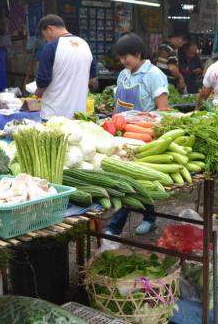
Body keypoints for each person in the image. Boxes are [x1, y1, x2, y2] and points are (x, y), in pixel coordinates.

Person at [107, 33, 169, 236]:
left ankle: (115, 227)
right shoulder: (123, 74)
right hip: (122, 134)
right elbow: (118, 104)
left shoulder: (154, 75)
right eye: (121, 58)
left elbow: (163, 111)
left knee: (130, 179)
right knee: (132, 179)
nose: (123, 61)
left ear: (138, 53)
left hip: (144, 136)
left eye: (127, 57)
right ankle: (150, 218)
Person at [35, 14, 97, 120]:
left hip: (53, 116)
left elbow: (42, 81)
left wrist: (37, 93)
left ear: (49, 29)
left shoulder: (50, 47)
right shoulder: (85, 45)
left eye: (45, 35)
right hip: (78, 116)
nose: (47, 39)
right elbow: (93, 80)